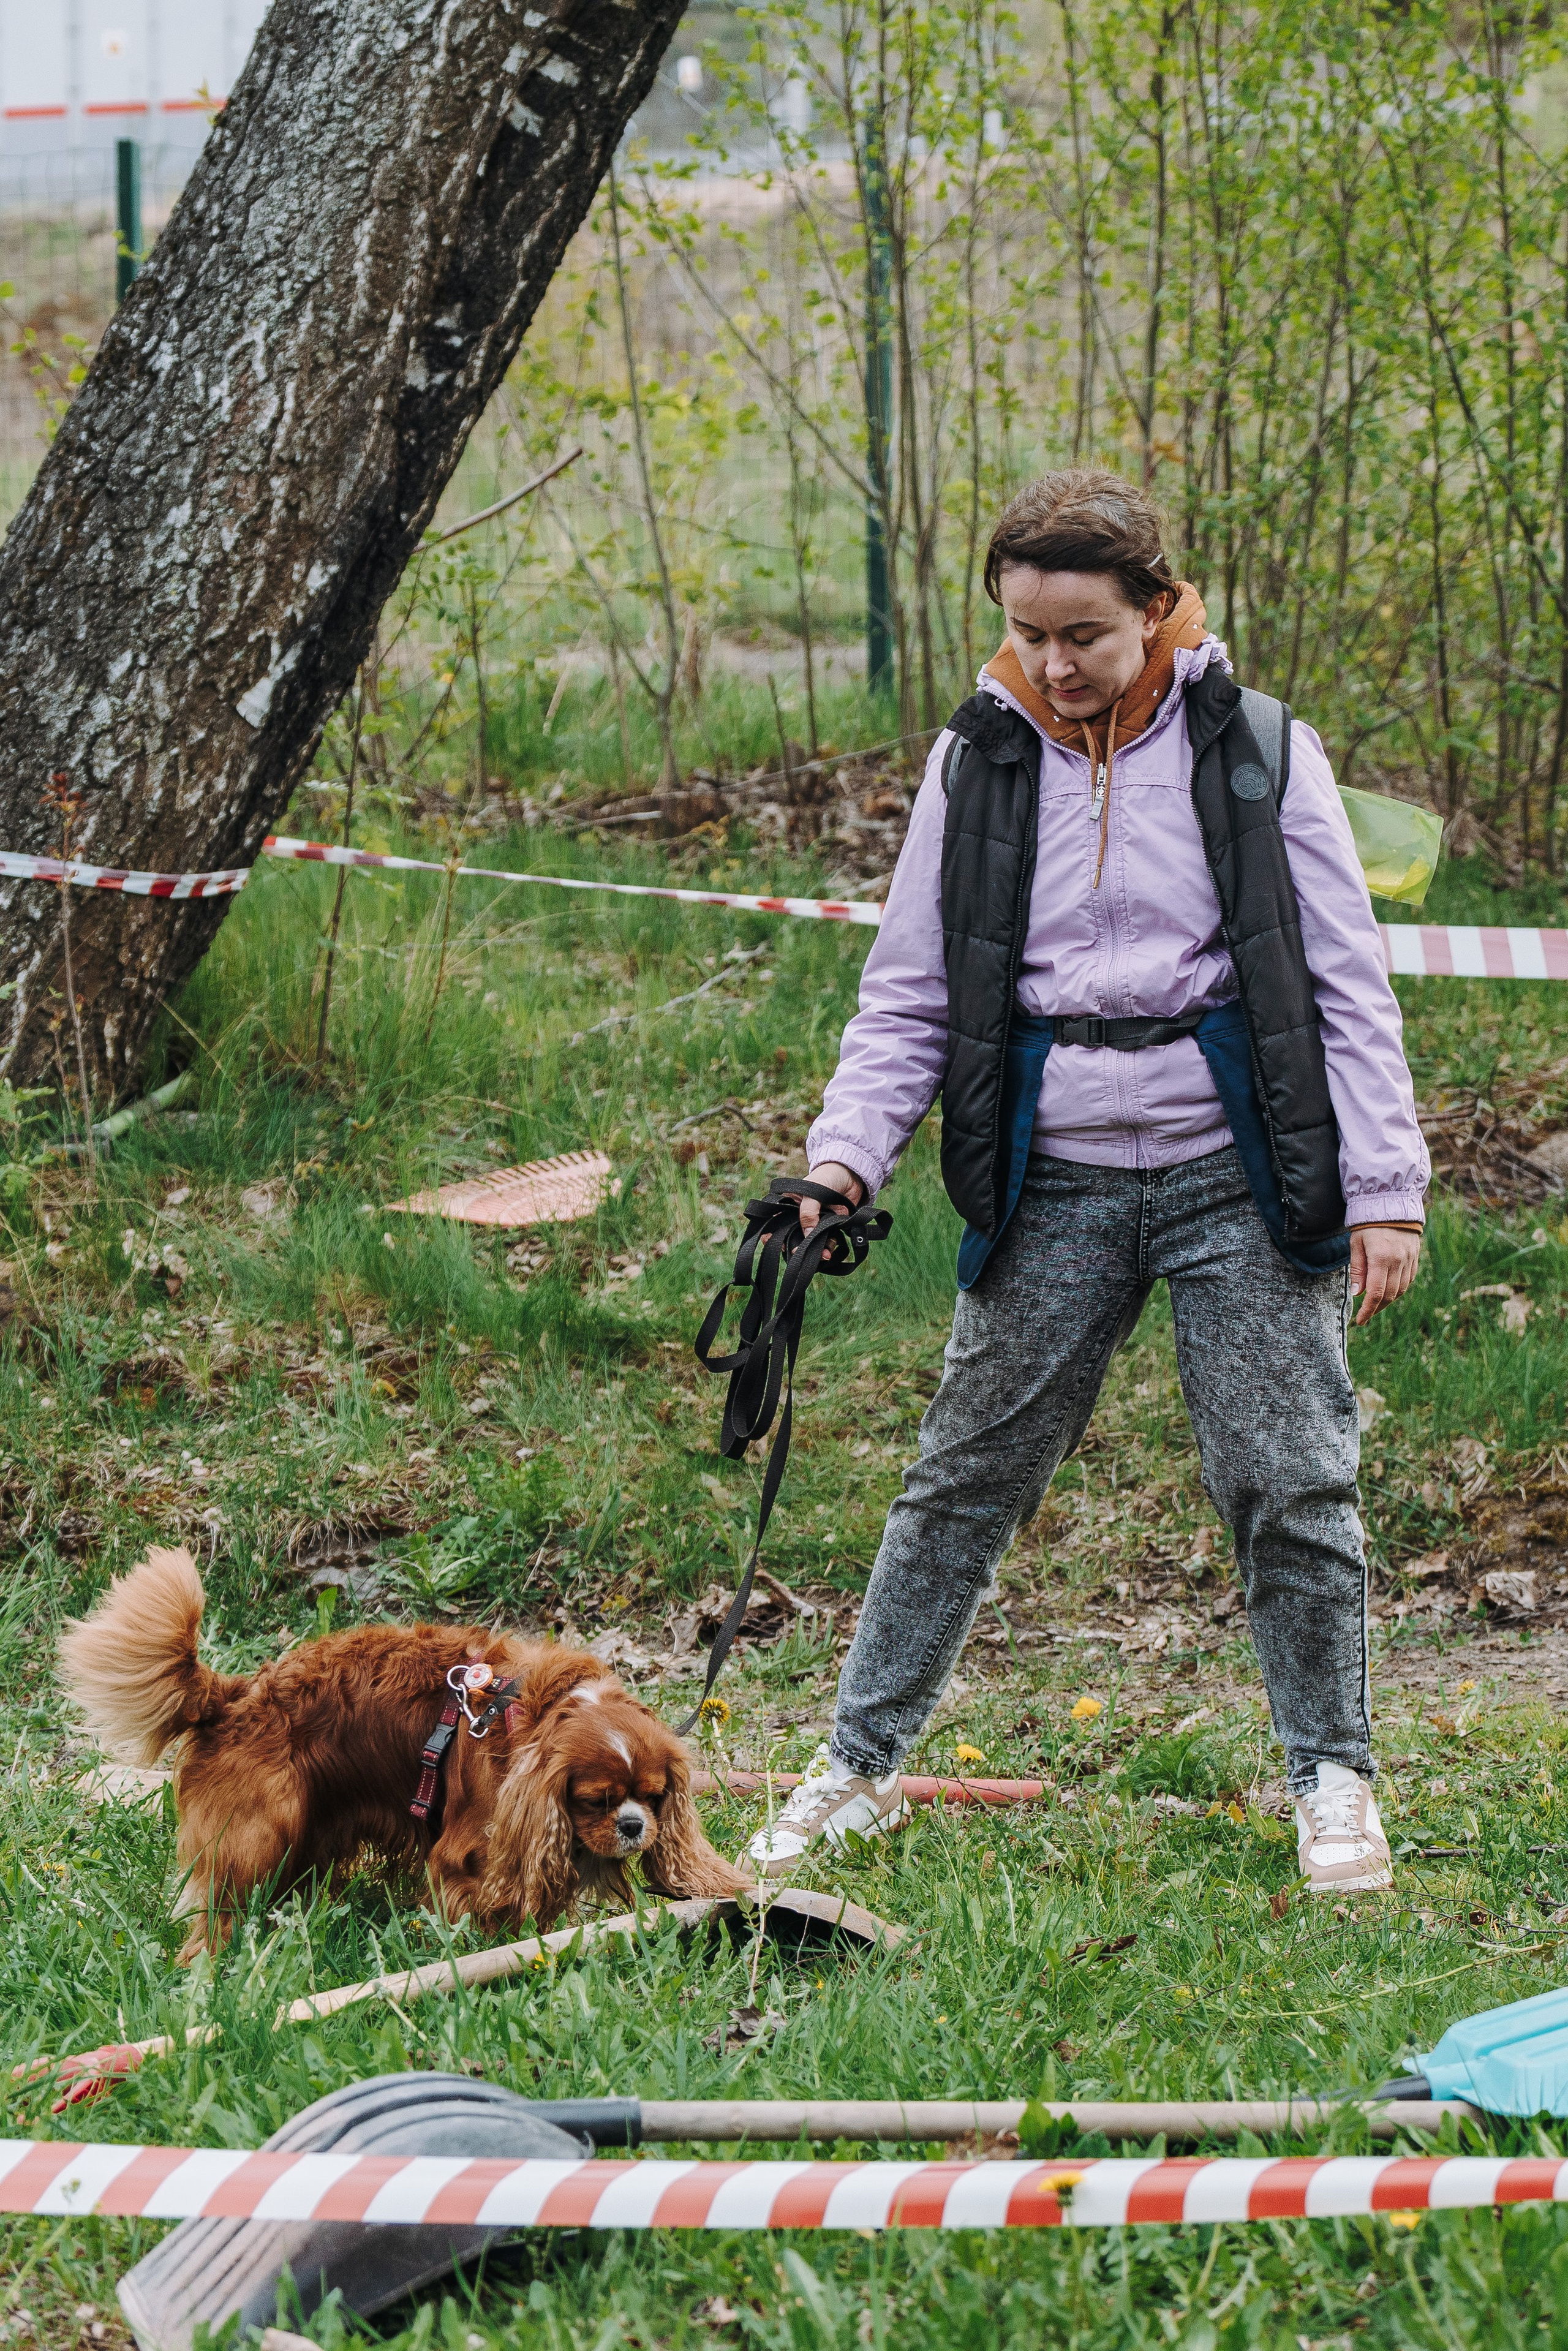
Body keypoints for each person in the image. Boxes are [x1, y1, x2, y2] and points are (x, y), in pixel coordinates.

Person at [747, 469, 1428, 1897]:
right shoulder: (975, 763)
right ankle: (854, 1769)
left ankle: (1333, 1780)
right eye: (1026, 633)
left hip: (1232, 1173)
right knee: (958, 1481)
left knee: (1288, 1479)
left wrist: (1383, 1184)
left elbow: (1345, 985)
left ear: (1157, 611)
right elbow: (910, 995)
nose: (1054, 667)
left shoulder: (1255, 750)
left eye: (1085, 636)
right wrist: (838, 1162)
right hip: (1044, 1174)